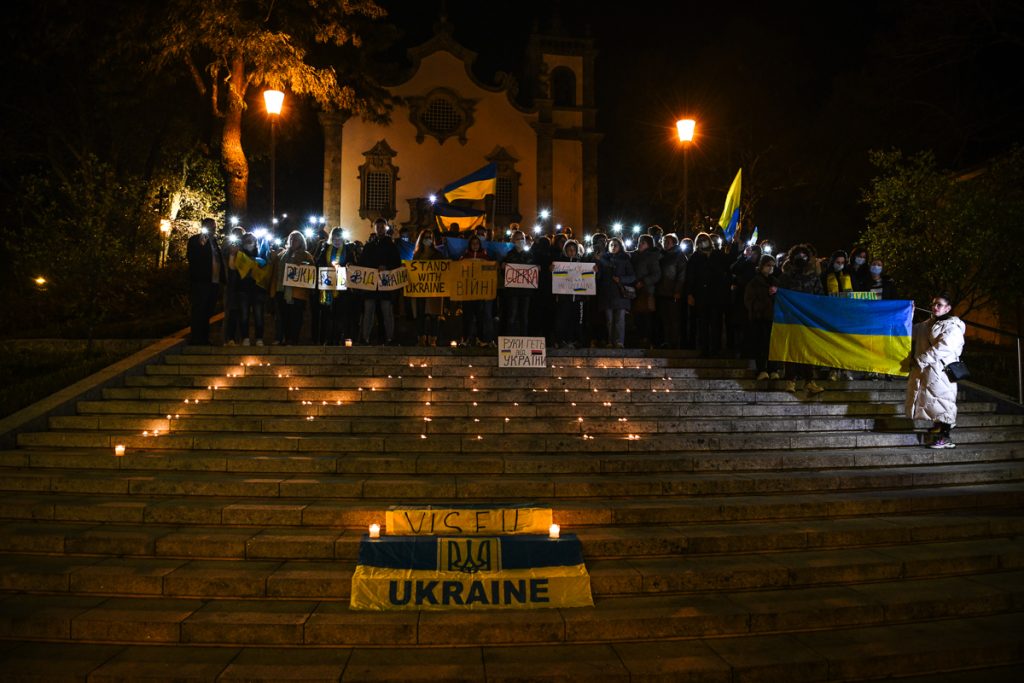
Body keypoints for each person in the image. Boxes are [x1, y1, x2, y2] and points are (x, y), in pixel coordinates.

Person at [906, 293, 965, 448]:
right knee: (934, 401)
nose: (935, 307)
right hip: (929, 370)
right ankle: (939, 428)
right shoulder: (928, 323)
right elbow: (910, 332)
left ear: (948, 308)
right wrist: (907, 315)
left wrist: (921, 359)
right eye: (933, 304)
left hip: (942, 371)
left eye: (939, 304)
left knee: (944, 402)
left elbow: (944, 348)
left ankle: (945, 438)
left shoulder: (953, 326)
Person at [778, 243, 826, 394]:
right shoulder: (786, 277)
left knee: (808, 351)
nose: (801, 259)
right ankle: (790, 381)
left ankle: (809, 382)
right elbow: (781, 296)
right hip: (791, 320)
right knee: (791, 350)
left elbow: (820, 297)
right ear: (792, 258)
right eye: (798, 256)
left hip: (808, 320)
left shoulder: (813, 278)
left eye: (804, 256)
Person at [684, 232, 730, 356]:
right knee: (703, 323)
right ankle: (703, 349)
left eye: (705, 239)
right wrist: (690, 294)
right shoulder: (695, 257)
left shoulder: (718, 255)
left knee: (716, 323)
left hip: (716, 295)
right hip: (701, 295)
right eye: (701, 240)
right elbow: (690, 277)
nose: (703, 242)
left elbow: (725, 273)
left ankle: (715, 349)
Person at [358, 217, 401, 345]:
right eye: (378, 227)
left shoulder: (391, 246)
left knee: (387, 312)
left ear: (386, 228)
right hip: (371, 286)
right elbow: (362, 263)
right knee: (368, 312)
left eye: (382, 227)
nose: (380, 229)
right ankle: (365, 337)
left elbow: (397, 263)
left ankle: (389, 338)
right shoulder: (369, 246)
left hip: (385, 285)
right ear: (374, 229)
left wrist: (386, 267)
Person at [269, 231, 315, 345]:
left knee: (296, 317)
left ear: (301, 241)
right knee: (283, 316)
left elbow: (311, 272)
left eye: (296, 239)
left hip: (298, 292)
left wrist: (302, 265)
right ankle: (284, 337)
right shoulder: (281, 255)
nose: (293, 241)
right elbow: (274, 271)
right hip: (281, 290)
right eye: (291, 239)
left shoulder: (306, 255)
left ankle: (293, 339)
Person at [186, 217, 224, 345]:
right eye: (211, 226)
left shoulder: (214, 242)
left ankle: (204, 337)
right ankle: (196, 338)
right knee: (199, 309)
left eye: (214, 226)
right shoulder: (197, 240)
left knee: (208, 310)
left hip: (214, 282)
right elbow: (193, 256)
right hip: (201, 281)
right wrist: (204, 237)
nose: (214, 228)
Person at [229, 232, 270, 346]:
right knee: (244, 315)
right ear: (243, 241)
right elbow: (232, 267)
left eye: (251, 239)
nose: (249, 241)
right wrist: (232, 255)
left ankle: (259, 338)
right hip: (243, 289)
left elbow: (267, 266)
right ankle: (245, 338)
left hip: (258, 289)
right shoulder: (239, 254)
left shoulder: (262, 253)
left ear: (256, 241)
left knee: (258, 315)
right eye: (246, 239)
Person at [744, 254, 781, 380]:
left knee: (773, 345)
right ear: (761, 266)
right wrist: (764, 302)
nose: (770, 268)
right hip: (759, 318)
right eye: (768, 265)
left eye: (772, 266)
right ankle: (762, 369)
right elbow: (749, 301)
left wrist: (776, 294)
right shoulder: (754, 282)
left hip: (773, 319)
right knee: (760, 345)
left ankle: (773, 369)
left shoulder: (776, 282)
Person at [596, 237, 636, 348]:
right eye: (611, 245)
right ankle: (610, 341)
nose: (613, 247)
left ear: (620, 247)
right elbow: (598, 278)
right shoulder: (603, 259)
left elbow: (632, 276)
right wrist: (596, 270)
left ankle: (619, 342)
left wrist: (621, 279)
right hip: (607, 294)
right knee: (609, 320)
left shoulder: (625, 259)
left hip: (620, 295)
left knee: (620, 320)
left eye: (615, 245)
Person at [314, 228, 350, 345]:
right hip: (327, 287)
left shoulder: (348, 249)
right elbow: (318, 262)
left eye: (339, 238)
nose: (337, 240)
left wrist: (344, 265)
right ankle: (326, 339)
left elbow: (352, 262)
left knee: (339, 314)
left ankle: (337, 339)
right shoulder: (325, 248)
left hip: (342, 288)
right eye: (334, 238)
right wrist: (328, 266)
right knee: (326, 314)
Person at [552, 239, 589, 348]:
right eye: (569, 250)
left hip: (578, 298)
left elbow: (588, 277)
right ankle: (561, 340)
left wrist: (593, 270)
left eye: (573, 250)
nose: (571, 252)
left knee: (578, 320)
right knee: (563, 319)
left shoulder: (582, 262)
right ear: (565, 251)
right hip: (565, 297)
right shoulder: (560, 262)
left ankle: (577, 340)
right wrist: (551, 270)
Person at [411, 229, 444, 346]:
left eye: (430, 237)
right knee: (420, 314)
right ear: (421, 239)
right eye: (425, 237)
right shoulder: (417, 255)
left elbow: (442, 270)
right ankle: (421, 338)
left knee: (434, 314)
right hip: (421, 288)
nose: (427, 239)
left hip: (434, 288)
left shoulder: (438, 254)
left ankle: (433, 339)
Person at [460, 234, 493, 346]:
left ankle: (480, 339)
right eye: (473, 243)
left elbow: (489, 273)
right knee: (467, 317)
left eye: (477, 243)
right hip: (467, 292)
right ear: (470, 245)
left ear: (480, 245)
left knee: (480, 317)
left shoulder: (485, 258)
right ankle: (465, 339)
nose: (475, 245)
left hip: (480, 292)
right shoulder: (464, 257)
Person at [500, 229, 535, 336]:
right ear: (513, 241)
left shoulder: (530, 255)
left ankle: (523, 339)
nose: (520, 240)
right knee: (512, 315)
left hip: (526, 291)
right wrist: (503, 266)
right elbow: (505, 274)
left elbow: (533, 270)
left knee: (524, 317)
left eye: (522, 238)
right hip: (513, 291)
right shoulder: (509, 255)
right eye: (518, 238)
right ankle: (510, 338)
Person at [655, 233, 687, 348]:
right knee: (664, 318)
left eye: (668, 242)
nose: (665, 244)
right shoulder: (660, 256)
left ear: (674, 243)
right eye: (664, 241)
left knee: (674, 318)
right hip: (661, 291)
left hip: (672, 292)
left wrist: (678, 290)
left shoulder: (679, 256)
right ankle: (666, 341)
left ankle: (675, 342)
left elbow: (682, 275)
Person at [630, 234, 662, 348]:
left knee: (646, 317)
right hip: (634, 291)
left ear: (649, 245)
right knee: (636, 317)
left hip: (646, 292)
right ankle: (637, 339)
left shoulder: (651, 257)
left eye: (643, 242)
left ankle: (646, 339)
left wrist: (643, 282)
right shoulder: (634, 256)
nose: (640, 244)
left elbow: (656, 274)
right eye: (639, 242)